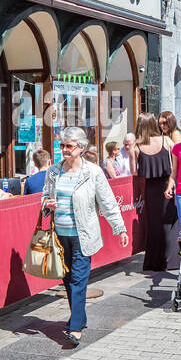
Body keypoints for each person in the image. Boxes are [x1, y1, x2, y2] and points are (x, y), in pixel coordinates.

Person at [41, 126, 129, 346]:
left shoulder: (93, 172)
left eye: (69, 146)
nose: (64, 149)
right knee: (68, 279)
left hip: (83, 234)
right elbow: (44, 197)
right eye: (62, 145)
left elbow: (107, 201)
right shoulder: (54, 171)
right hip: (60, 235)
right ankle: (80, 317)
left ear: (80, 147)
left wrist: (120, 228)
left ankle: (75, 327)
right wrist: (47, 205)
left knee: (79, 280)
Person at [133, 112, 178, 271]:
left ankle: (154, 261)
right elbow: (176, 162)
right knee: (170, 223)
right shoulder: (167, 140)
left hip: (150, 188)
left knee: (154, 225)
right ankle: (172, 260)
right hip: (168, 185)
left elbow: (134, 171)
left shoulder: (137, 146)